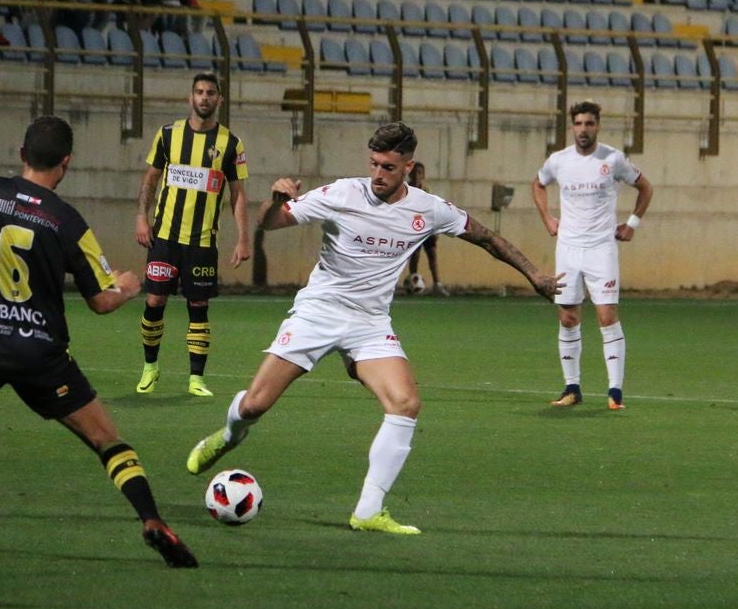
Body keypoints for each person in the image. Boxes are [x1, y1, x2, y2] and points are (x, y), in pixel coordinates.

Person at [187, 122, 561, 533]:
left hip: (370, 323)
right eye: (373, 164)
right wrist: (275, 202)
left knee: (405, 404)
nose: (377, 174)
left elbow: (487, 238)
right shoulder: (342, 194)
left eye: (387, 167)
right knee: (255, 405)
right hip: (320, 311)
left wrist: (535, 276)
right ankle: (229, 435)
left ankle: (368, 510)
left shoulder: (427, 208)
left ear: (408, 167)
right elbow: (270, 223)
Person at [0, 116, 199, 569]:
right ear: (67, 163)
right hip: (41, 354)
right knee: (106, 439)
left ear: (21, 154)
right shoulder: (69, 222)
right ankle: (152, 520)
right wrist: (129, 288)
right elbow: (100, 301)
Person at [531, 100, 654, 411]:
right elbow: (538, 184)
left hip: (601, 248)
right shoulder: (559, 160)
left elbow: (645, 187)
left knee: (606, 317)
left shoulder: (612, 159)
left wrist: (633, 224)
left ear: (598, 125)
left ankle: (615, 392)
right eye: (578, 124)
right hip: (569, 249)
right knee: (568, 317)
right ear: (572, 127)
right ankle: (572, 388)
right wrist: (547, 218)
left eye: (589, 124)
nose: (583, 129)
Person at [134, 73, 249, 398]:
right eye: (199, 92)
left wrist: (243, 237)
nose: (204, 97)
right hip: (165, 238)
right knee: (155, 300)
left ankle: (196, 378)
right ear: (190, 97)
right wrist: (142, 217)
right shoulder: (169, 135)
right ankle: (150, 367)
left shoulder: (230, 143)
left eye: (210, 93)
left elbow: (238, 193)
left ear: (219, 100)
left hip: (201, 243)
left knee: (198, 305)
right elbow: (150, 180)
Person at [400, 161, 445, 295]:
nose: (416, 175)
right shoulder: (405, 189)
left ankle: (437, 285)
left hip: (428, 227)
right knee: (415, 256)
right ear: (409, 174)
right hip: (413, 228)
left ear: (423, 175)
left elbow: (432, 210)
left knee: (432, 255)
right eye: (414, 172)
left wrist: (436, 229)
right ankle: (413, 281)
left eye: (419, 173)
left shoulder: (427, 190)